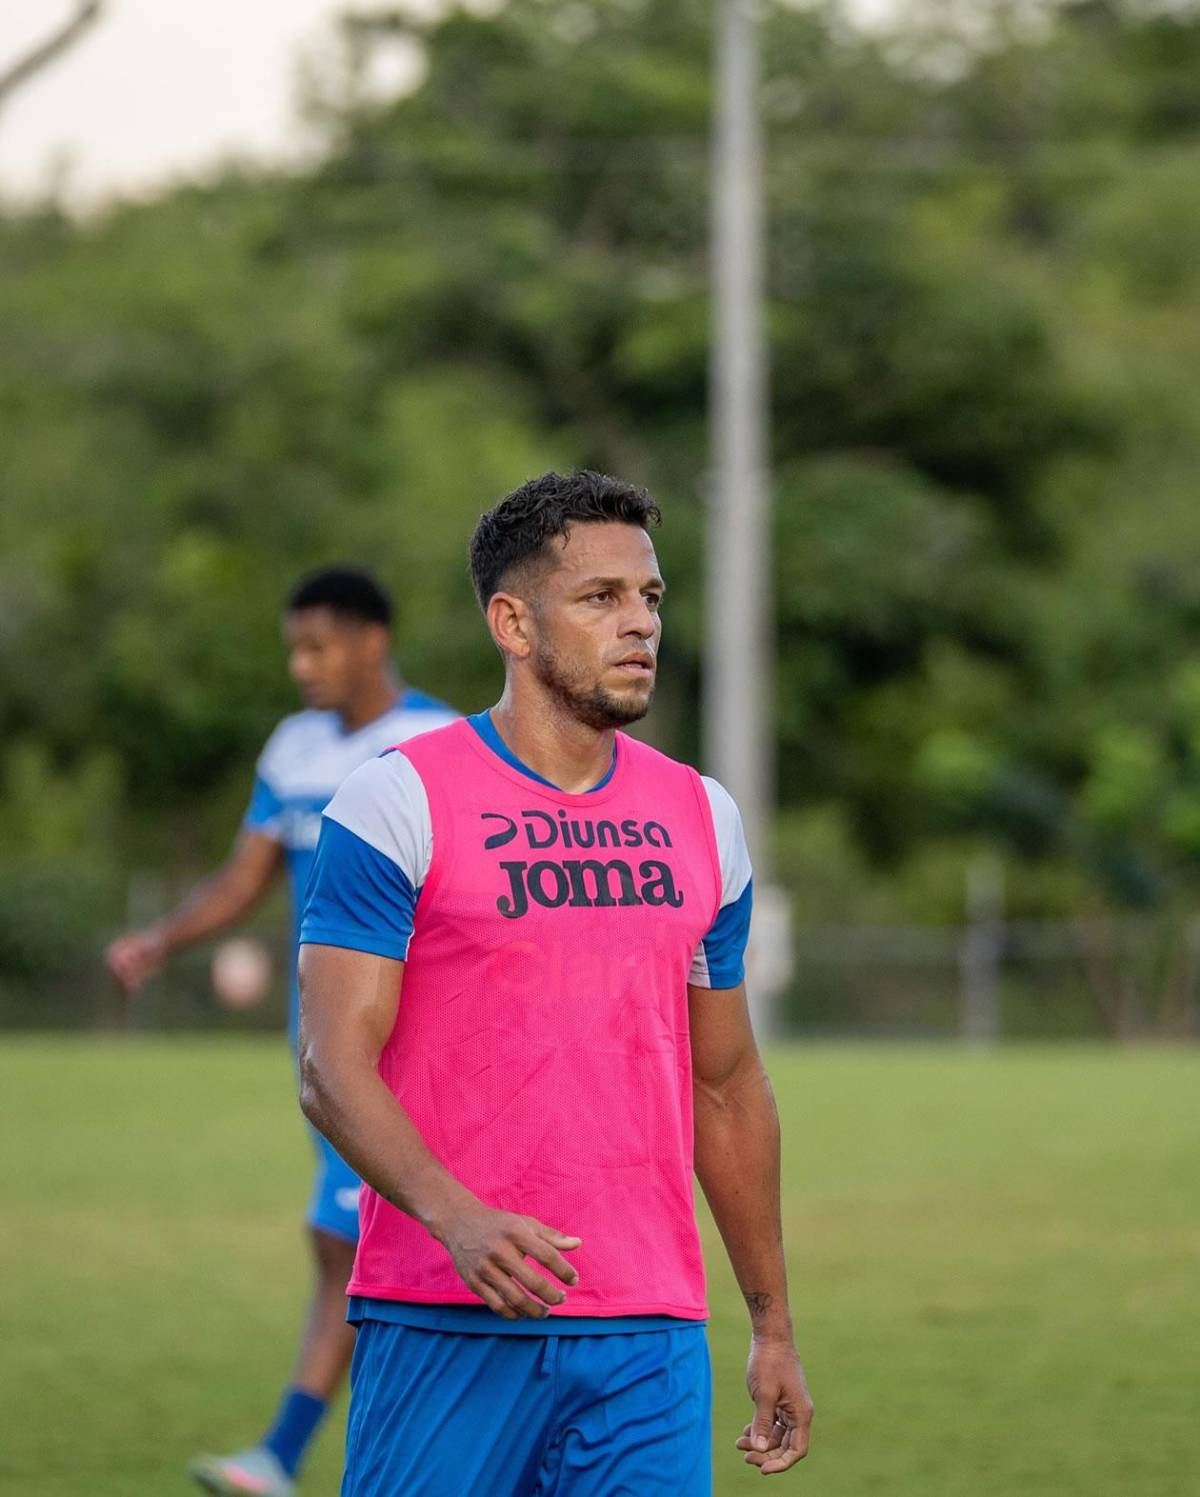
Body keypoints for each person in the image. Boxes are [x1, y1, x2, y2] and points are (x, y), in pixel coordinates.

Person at [297, 472, 814, 1495]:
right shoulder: (396, 802)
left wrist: (773, 1326)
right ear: (513, 623)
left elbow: (727, 1084)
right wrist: (458, 1217)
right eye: (601, 598)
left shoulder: (705, 818)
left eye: (651, 598)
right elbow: (330, 1066)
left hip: (648, 1338)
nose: (639, 625)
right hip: (442, 1315)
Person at [105, 566, 457, 1497]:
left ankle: (291, 1455)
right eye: (294, 648)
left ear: (371, 641)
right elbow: (241, 877)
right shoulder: (295, 747)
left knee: (350, 1242)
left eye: (318, 645)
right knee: (375, 1245)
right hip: (317, 1042)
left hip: (396, 1045)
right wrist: (161, 938)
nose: (302, 666)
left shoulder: (437, 740)